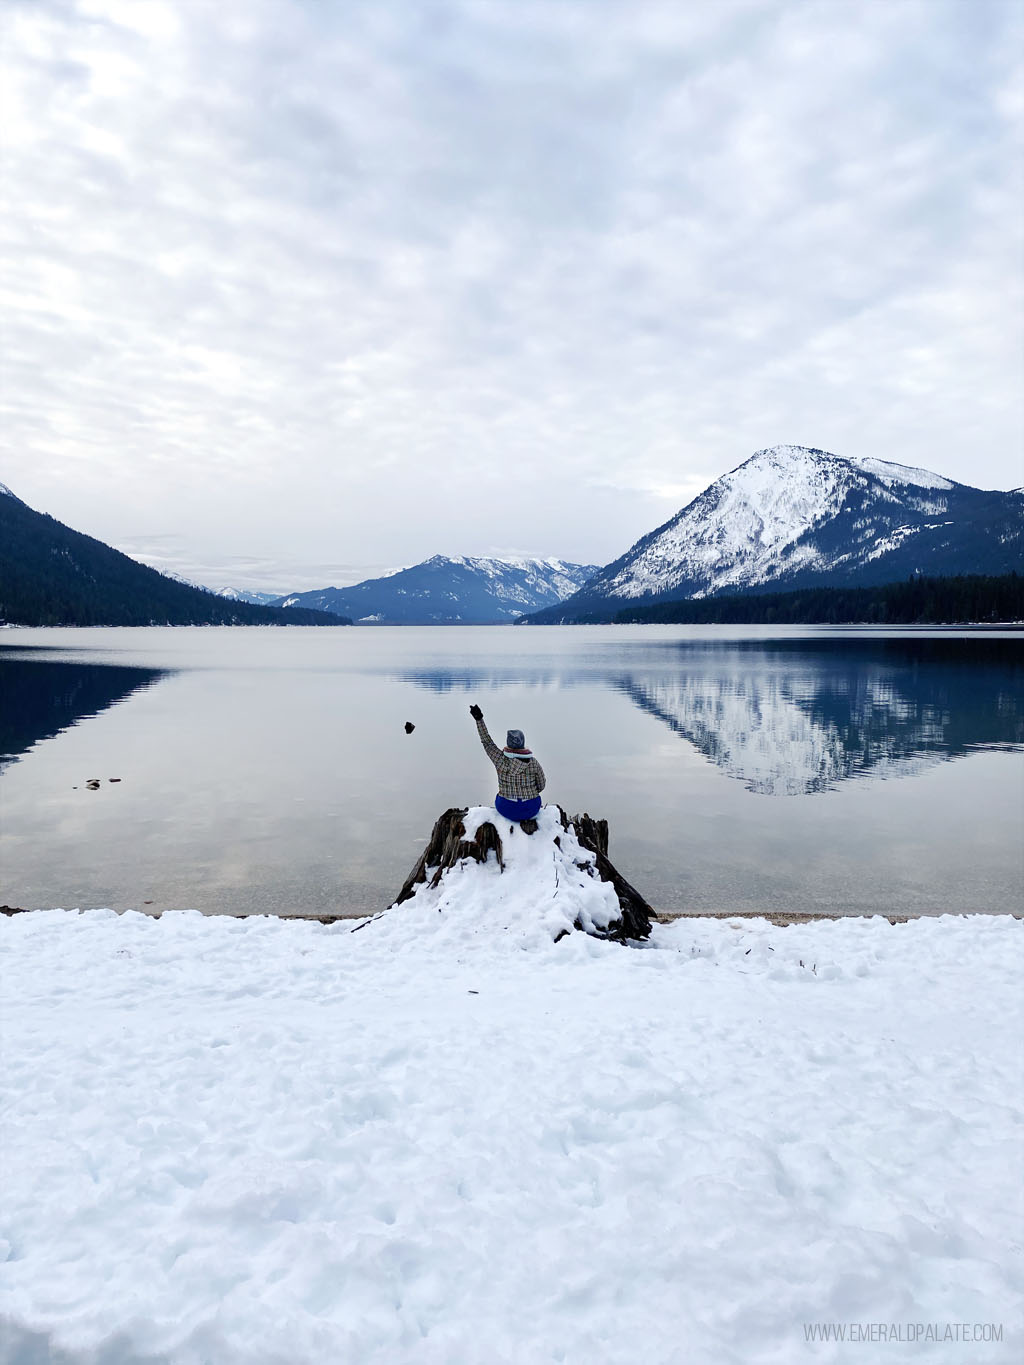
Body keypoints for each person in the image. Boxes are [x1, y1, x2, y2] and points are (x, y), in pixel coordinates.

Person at [469, 703, 546, 824]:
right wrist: (528, 793)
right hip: (531, 809)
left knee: (499, 797)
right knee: (533, 798)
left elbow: (487, 742)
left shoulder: (499, 759)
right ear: (523, 743)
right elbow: (541, 785)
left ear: (508, 743)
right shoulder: (533, 762)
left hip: (507, 808)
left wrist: (479, 719)